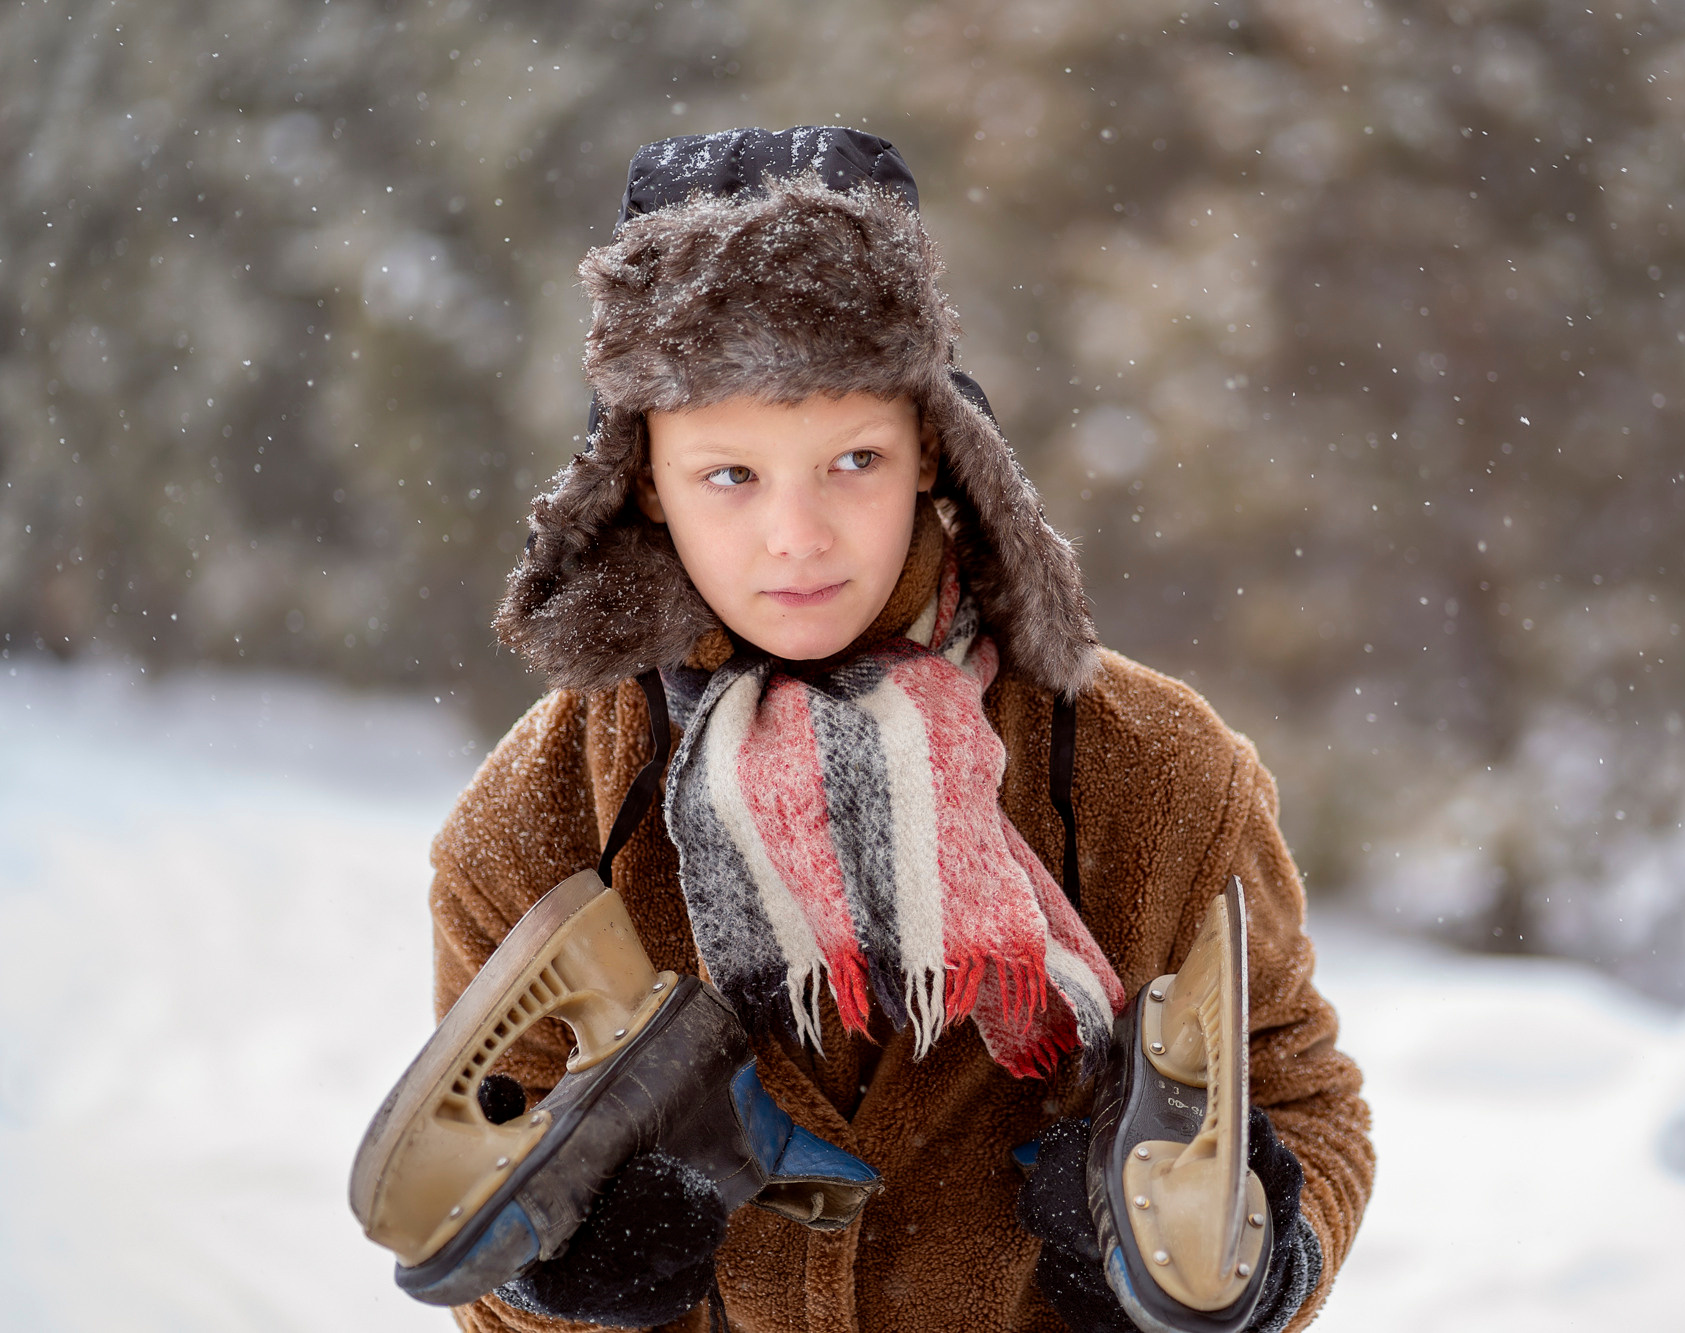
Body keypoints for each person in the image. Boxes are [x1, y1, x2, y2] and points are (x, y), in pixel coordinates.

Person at [428, 126, 1373, 1333]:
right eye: (730, 474)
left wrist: (1247, 1258)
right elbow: (465, 1179)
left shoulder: (1154, 766)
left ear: (932, 445)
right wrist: (554, 1279)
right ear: (641, 477)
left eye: (851, 459)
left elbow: (1296, 1096)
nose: (798, 536)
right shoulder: (541, 820)